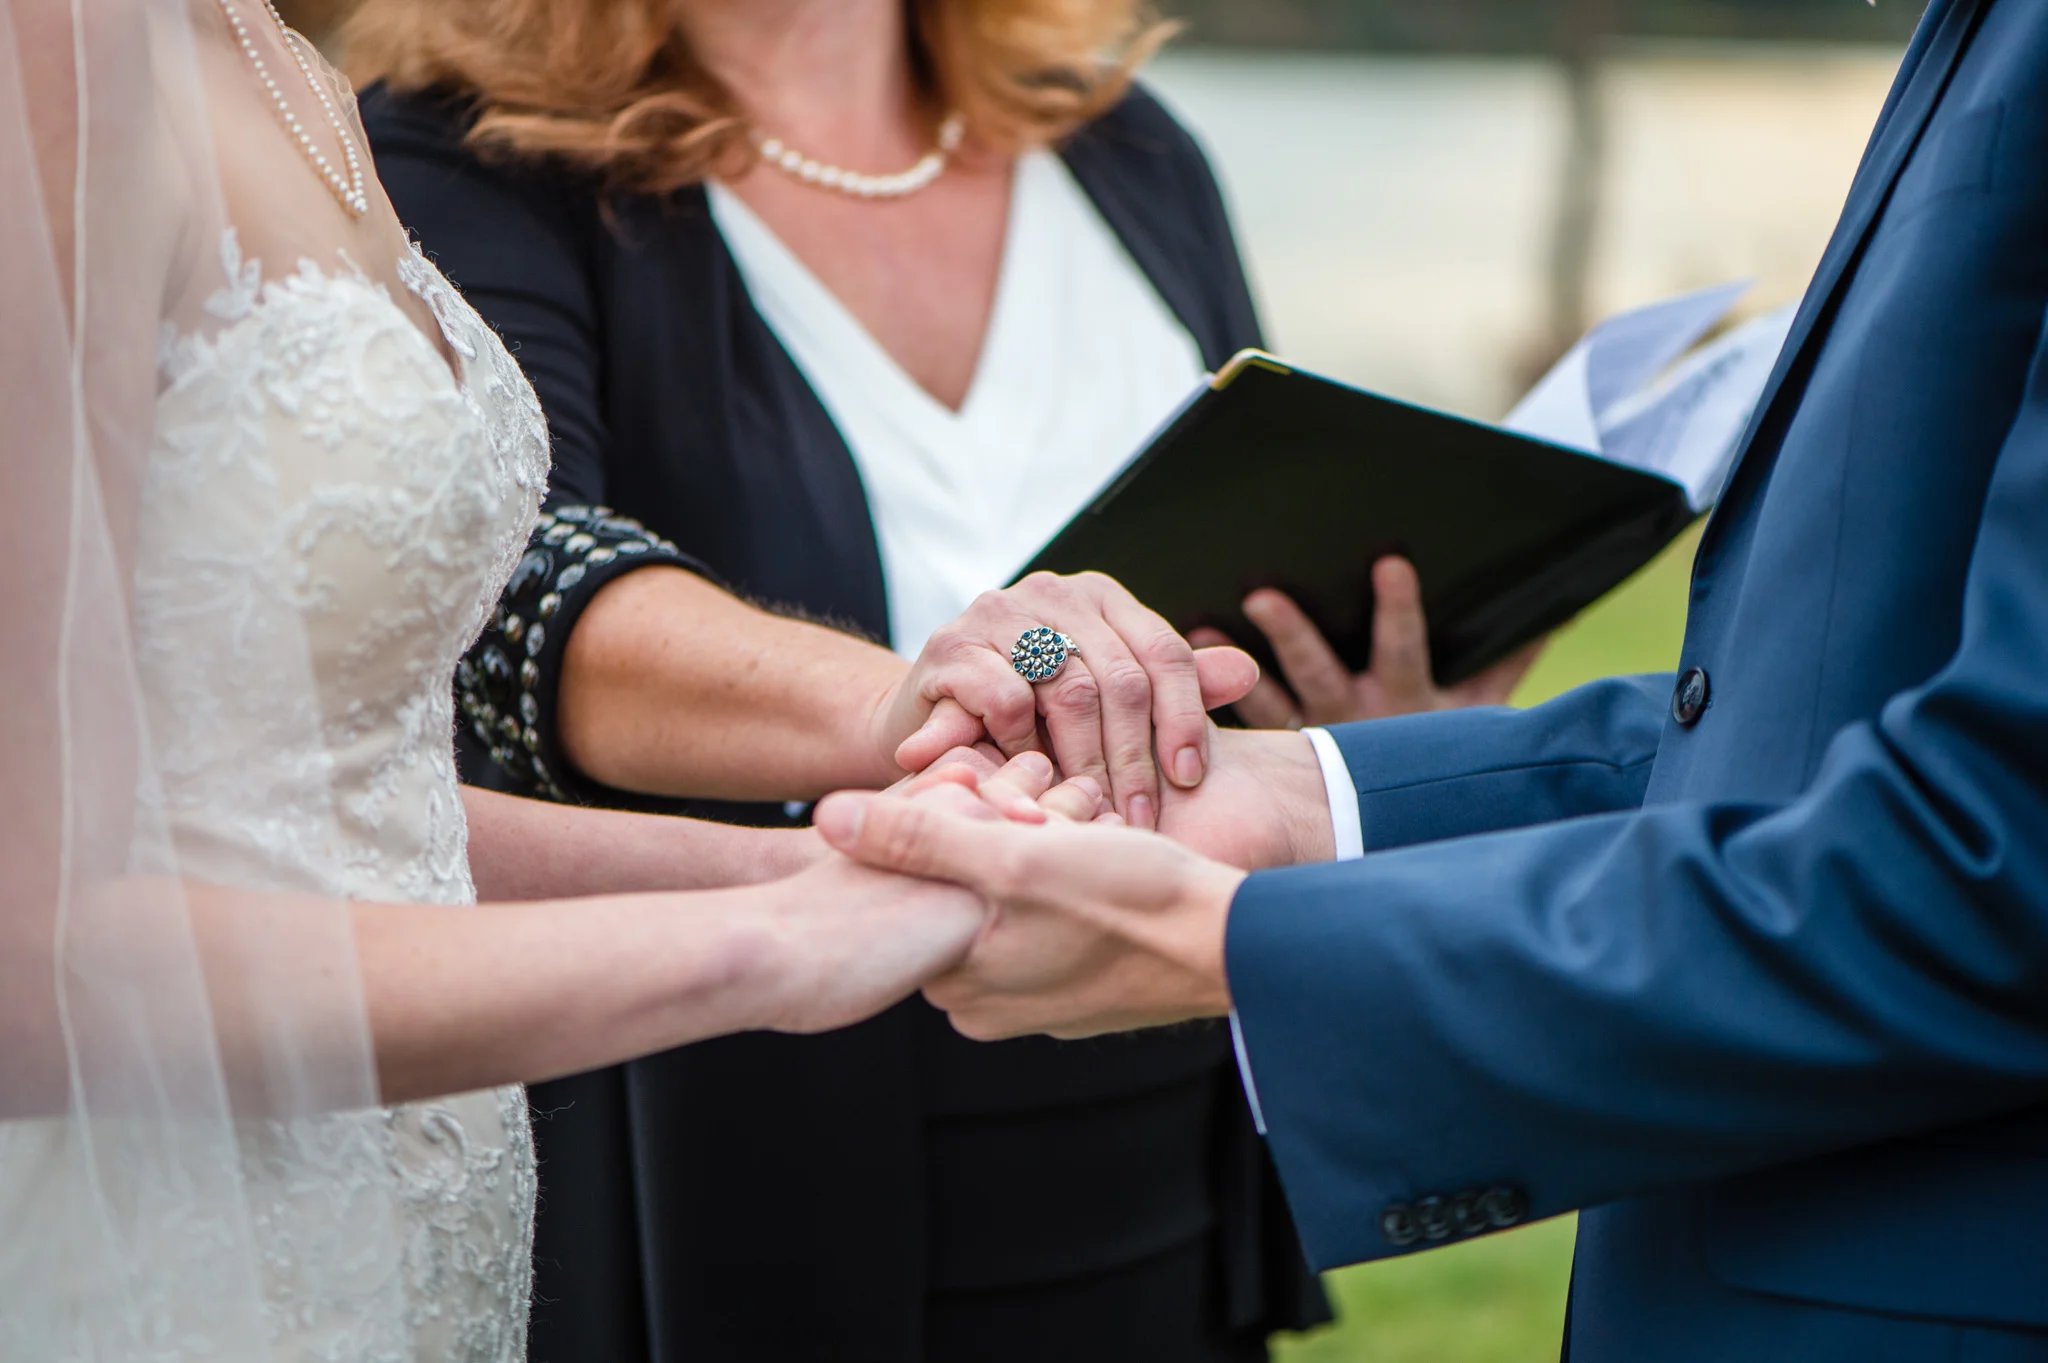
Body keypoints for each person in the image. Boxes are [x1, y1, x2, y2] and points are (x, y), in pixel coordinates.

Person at [817, 1, 2048, 1358]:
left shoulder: (1133, 158)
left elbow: (2008, 843)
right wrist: (1313, 800)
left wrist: (1235, 942)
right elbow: (1836, 724)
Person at [0, 0, 1201, 1354]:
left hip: (407, 1247)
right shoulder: (68, 52)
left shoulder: (275, 63)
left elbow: (332, 806)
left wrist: (806, 872)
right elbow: (33, 944)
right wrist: (775, 932)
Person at [337, 0, 1527, 1354]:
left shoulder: (1123, 146)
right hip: (750, 1116)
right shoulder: (466, 156)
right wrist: (912, 695)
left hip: (1163, 1096)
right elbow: (507, 592)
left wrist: (1343, 729)